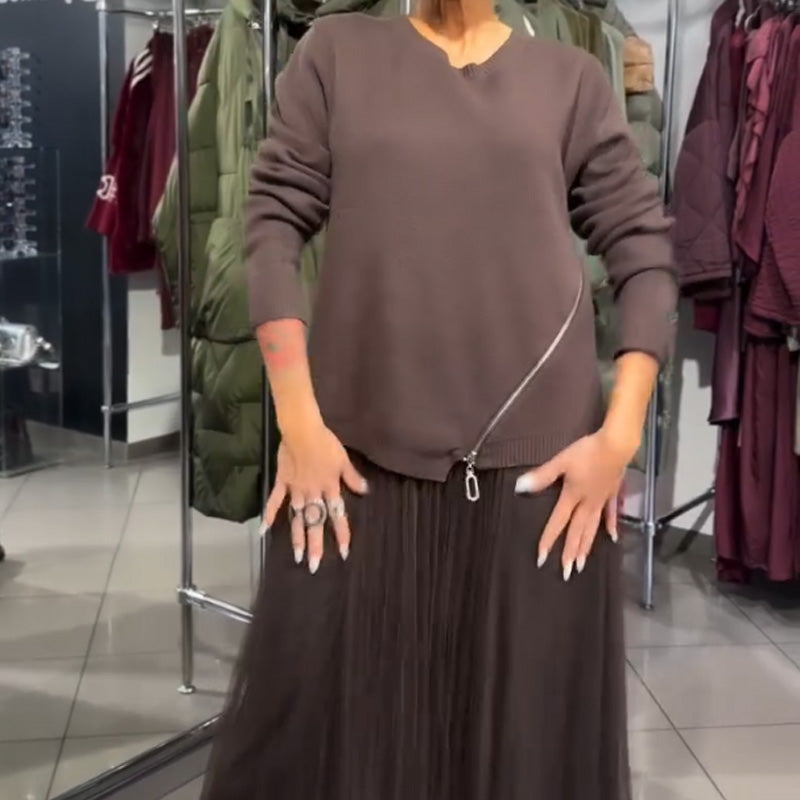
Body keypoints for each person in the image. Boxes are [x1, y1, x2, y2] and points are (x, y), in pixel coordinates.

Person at [201, 0, 677, 798]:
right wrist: (299, 423)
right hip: (360, 464)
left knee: (522, 750)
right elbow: (273, 225)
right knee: (343, 738)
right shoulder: (336, 53)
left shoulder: (570, 78)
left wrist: (620, 435)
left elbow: (643, 249)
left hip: (539, 479)